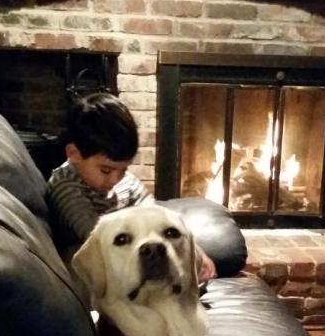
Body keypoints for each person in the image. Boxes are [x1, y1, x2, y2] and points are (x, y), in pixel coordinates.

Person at [47, 90, 216, 279]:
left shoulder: (123, 181)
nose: (115, 180)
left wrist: (194, 252)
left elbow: (155, 214)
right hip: (96, 264)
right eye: (106, 170)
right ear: (74, 154)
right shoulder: (65, 185)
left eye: (123, 170)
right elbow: (97, 238)